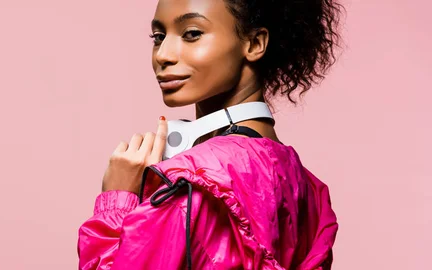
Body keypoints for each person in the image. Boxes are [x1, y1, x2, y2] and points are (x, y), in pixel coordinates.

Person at [77, 0, 343, 269]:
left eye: (192, 34)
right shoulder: (305, 187)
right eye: (158, 37)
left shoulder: (197, 180)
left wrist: (117, 198)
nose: (163, 55)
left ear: (254, 44)